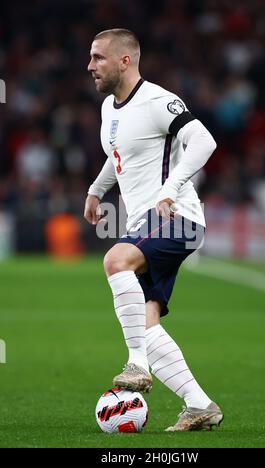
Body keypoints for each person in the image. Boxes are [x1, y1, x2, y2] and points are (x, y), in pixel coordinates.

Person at [84, 28, 223, 432]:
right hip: (146, 222)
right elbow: (118, 154)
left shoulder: (159, 101)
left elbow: (204, 141)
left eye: (98, 58)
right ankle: (199, 406)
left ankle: (136, 363)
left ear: (125, 60)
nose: (90, 66)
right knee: (148, 325)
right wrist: (97, 190)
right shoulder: (110, 108)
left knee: (115, 259)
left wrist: (171, 187)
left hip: (177, 218)